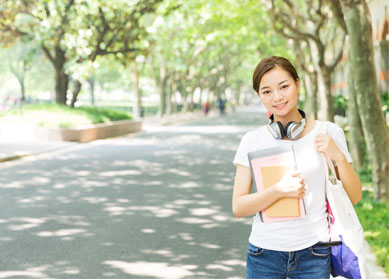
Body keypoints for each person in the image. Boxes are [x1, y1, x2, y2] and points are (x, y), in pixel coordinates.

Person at [232, 56, 362, 279]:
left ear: (298, 84)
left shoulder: (329, 132)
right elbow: (239, 207)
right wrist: (278, 190)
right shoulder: (251, 141)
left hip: (315, 253)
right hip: (263, 254)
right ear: (259, 96)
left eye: (284, 86)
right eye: (267, 91)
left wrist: (338, 156)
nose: (277, 97)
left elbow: (356, 195)